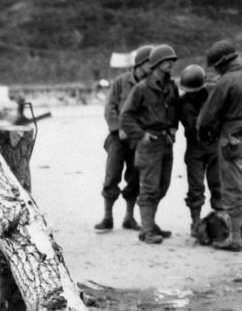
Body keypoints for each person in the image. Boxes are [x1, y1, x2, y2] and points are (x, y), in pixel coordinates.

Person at [120, 44, 180, 244]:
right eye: (166, 60)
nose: (171, 63)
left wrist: (173, 129)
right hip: (149, 143)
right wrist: (141, 135)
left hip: (165, 142)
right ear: (156, 64)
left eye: (172, 60)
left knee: (163, 186)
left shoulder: (171, 87)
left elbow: (174, 111)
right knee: (149, 188)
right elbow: (126, 117)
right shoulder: (142, 88)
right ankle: (146, 230)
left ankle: (150, 223)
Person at [96, 44, 154, 232]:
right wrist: (118, 128)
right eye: (149, 63)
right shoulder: (120, 82)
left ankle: (129, 217)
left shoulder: (150, 85)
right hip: (117, 138)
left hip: (138, 138)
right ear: (139, 64)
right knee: (112, 175)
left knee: (135, 178)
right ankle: (107, 217)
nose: (152, 67)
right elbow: (110, 108)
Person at [197, 39, 242, 251]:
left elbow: (206, 118)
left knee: (233, 190)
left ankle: (235, 238)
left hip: (233, 141)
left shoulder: (225, 82)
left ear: (221, 63)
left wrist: (204, 133)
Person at [177, 64, 224, 243]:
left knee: (217, 184)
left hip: (213, 145)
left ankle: (221, 220)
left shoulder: (213, 94)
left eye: (195, 90)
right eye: (189, 91)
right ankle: (196, 222)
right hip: (194, 147)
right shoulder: (181, 102)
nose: (192, 94)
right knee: (195, 187)